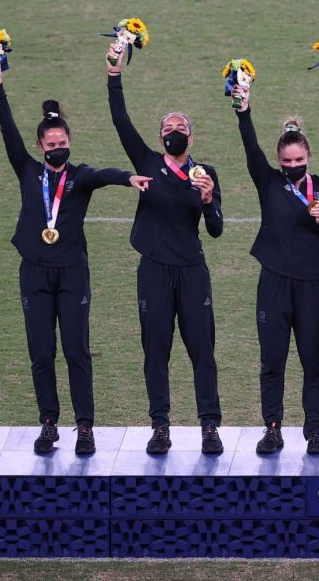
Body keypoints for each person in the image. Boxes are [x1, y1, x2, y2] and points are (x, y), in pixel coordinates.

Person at [0, 65, 149, 455]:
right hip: (35, 272)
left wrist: (129, 178)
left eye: (63, 140)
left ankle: (85, 426)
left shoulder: (80, 176)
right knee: (41, 352)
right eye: (51, 142)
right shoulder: (27, 170)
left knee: (77, 350)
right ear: (41, 145)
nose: (58, 146)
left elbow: (105, 174)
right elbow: (8, 130)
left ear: (69, 142)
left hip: (73, 272)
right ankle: (48, 423)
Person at [106, 48, 224, 455]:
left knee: (201, 350)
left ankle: (210, 426)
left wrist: (209, 200)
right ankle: (160, 426)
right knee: (155, 350)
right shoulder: (146, 160)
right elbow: (120, 122)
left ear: (191, 136)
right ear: (160, 137)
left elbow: (216, 229)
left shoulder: (204, 174)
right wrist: (113, 74)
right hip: (154, 269)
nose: (174, 130)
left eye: (181, 126)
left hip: (192, 270)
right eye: (168, 126)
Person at [233, 82, 319, 456]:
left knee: (314, 362)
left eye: (299, 161)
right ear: (280, 160)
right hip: (274, 284)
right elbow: (250, 149)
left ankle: (315, 430)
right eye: (287, 162)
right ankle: (273, 428)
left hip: (311, 284)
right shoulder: (268, 182)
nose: (294, 167)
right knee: (272, 361)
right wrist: (243, 111)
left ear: (309, 155)